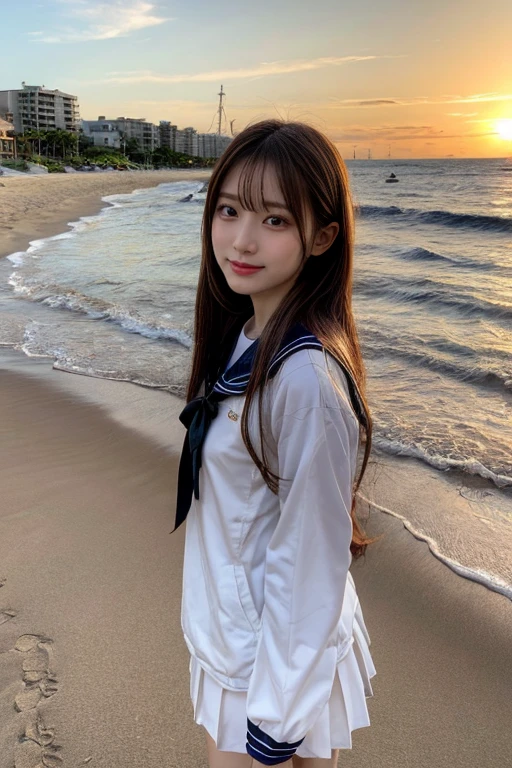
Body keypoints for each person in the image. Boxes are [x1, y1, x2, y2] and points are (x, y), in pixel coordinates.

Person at [172, 119, 380, 767]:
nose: (241, 239)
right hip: (242, 633)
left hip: (270, 661)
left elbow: (310, 558)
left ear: (322, 237)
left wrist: (275, 724)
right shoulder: (246, 334)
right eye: (229, 210)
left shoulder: (306, 380)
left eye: (275, 220)